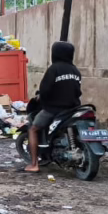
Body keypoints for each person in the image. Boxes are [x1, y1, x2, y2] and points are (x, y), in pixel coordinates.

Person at [24, 41, 82, 173]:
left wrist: (40, 97)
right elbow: (77, 91)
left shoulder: (54, 69)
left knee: (33, 129)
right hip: (73, 108)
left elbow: (45, 90)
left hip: (54, 109)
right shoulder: (75, 70)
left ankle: (34, 164)